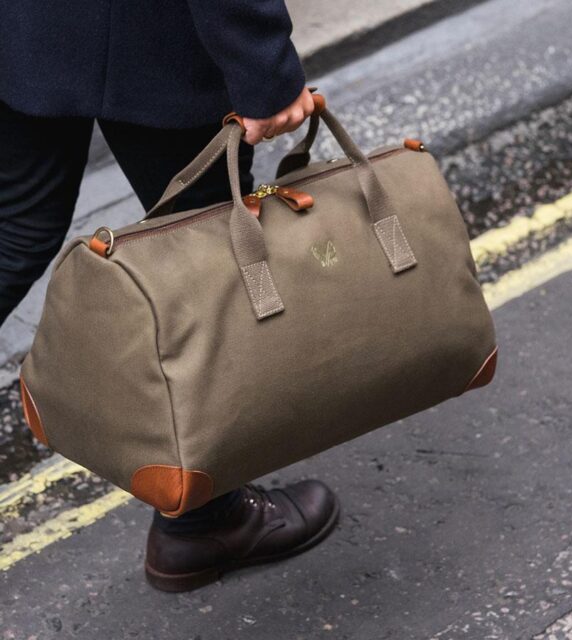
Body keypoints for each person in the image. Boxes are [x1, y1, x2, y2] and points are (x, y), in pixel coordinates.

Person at [0, 0, 339, 592]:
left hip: (31, 23)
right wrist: (263, 62)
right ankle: (205, 523)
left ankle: (205, 512)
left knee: (15, 229)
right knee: (204, 243)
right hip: (152, 31)